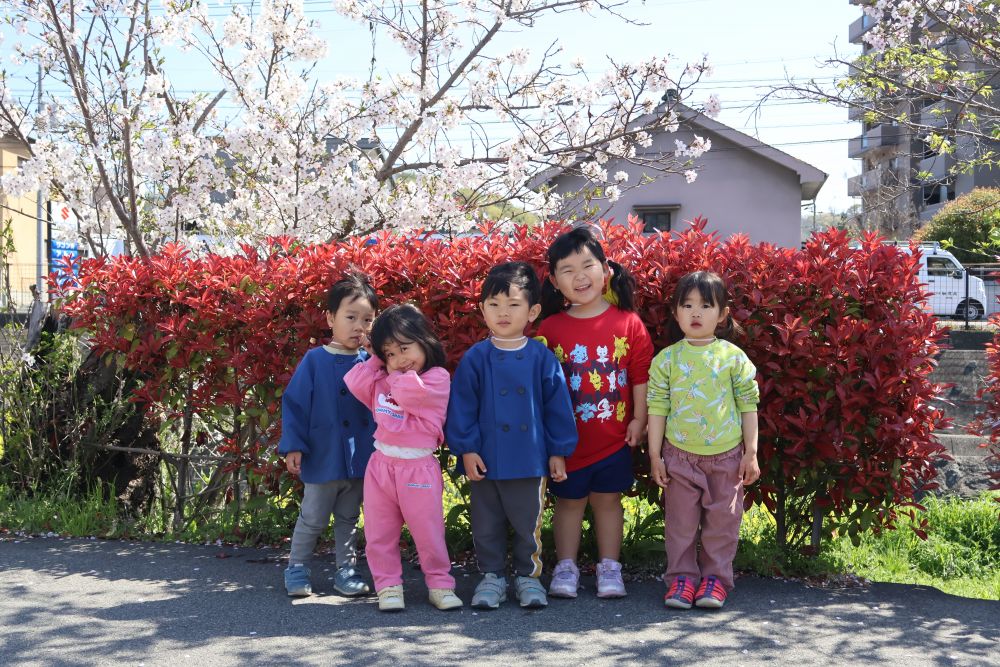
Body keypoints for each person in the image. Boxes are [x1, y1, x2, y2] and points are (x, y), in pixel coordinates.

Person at [446, 262, 577, 610]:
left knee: (527, 523)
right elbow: (462, 407)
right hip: (485, 458)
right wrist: (466, 449)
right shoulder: (476, 358)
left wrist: (558, 451)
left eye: (513, 304)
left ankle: (528, 576)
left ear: (532, 311)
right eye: (494, 304)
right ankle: (491, 576)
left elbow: (557, 408)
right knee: (485, 523)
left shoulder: (541, 358)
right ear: (482, 309)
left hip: (529, 457)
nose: (503, 313)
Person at [536, 226, 653, 599]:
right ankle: (565, 566)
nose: (580, 276)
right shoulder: (550, 328)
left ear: (606, 270)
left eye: (588, 265)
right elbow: (541, 388)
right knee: (568, 503)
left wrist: (639, 419)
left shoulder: (628, 322)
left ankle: (610, 567)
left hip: (614, 440)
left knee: (608, 502)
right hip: (567, 444)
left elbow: (640, 374)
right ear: (554, 281)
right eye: (567, 270)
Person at [646, 270, 760, 610]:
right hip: (679, 458)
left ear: (722, 314)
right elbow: (657, 408)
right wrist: (655, 456)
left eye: (706, 306)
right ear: (676, 312)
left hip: (727, 458)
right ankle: (681, 578)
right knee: (680, 524)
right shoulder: (666, 360)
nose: (696, 313)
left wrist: (751, 452)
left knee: (723, 523)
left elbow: (748, 405)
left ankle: (715, 579)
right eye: (688, 305)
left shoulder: (733, 358)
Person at [344, 304, 461, 612]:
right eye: (390, 353)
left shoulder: (436, 378)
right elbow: (354, 383)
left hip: (418, 469)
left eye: (405, 348)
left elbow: (410, 394)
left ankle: (440, 584)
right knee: (379, 533)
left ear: (425, 341)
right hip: (381, 466)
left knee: (428, 532)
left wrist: (390, 370)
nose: (399, 359)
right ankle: (388, 586)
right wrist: (376, 359)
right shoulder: (386, 374)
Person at [278, 273, 378, 598]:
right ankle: (297, 567)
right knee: (313, 517)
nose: (358, 326)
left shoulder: (371, 361)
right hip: (323, 456)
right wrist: (294, 445)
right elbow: (295, 404)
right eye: (350, 317)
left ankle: (346, 570)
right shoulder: (315, 360)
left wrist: (376, 357)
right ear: (330, 318)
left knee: (349, 517)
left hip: (359, 458)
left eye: (367, 319)